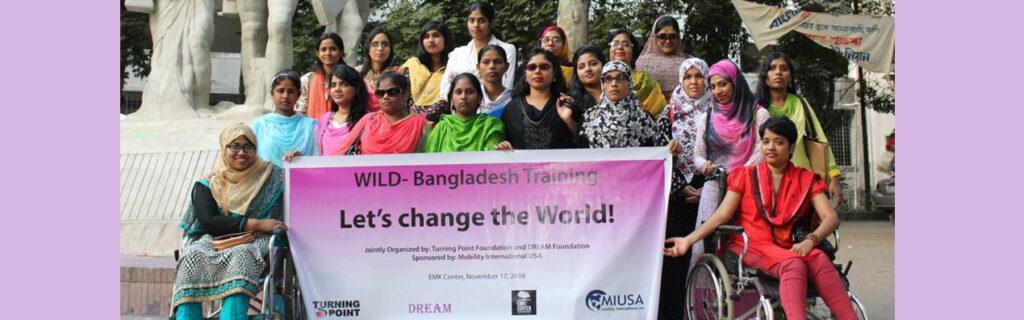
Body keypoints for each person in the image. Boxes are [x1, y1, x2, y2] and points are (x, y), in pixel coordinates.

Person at [665, 117, 858, 320]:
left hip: (789, 246)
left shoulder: (806, 179)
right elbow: (722, 215)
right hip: (750, 246)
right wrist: (688, 240)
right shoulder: (745, 176)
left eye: (779, 142)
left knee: (819, 258)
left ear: (792, 147)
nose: (771, 147)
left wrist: (812, 240)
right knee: (794, 263)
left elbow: (830, 217)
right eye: (766, 141)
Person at [171, 123, 288, 320]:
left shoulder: (272, 178)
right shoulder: (209, 182)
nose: (241, 152)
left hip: (255, 241)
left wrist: (298, 159)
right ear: (223, 148)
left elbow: (298, 188)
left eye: (247, 146)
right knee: (192, 255)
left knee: (241, 254)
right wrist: (258, 223)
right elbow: (209, 222)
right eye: (234, 146)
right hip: (213, 239)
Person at [690, 59, 770, 266]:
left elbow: (762, 150)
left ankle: (750, 295)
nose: (718, 91)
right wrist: (704, 166)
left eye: (723, 84)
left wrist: (739, 173)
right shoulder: (707, 118)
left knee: (746, 241)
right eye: (713, 86)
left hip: (749, 185)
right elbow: (698, 155)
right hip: (716, 183)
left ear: (736, 83)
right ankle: (701, 294)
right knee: (702, 240)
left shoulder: (758, 115)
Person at [655, 57, 712, 320]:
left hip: (711, 191)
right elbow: (658, 156)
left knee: (708, 255)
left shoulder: (719, 113)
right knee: (675, 259)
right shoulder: (667, 114)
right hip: (676, 194)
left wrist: (708, 187)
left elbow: (726, 152)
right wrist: (680, 187)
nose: (693, 81)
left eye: (698, 76)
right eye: (687, 76)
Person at [756, 52, 843, 205]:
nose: (778, 73)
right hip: (764, 180)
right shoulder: (756, 109)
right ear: (765, 76)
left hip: (802, 179)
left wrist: (834, 177)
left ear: (790, 77)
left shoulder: (801, 104)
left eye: (784, 68)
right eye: (772, 68)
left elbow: (820, 140)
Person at [500, 48, 580, 149]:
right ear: (525, 74)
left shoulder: (566, 104)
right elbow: (506, 144)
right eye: (531, 67)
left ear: (554, 72)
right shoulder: (512, 109)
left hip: (561, 164)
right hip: (523, 164)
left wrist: (568, 120)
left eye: (544, 67)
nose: (537, 71)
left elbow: (583, 143)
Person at [335, 71, 431, 154]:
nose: (385, 97)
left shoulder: (420, 124)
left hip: (406, 175)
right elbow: (342, 151)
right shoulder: (368, 120)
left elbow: (431, 160)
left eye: (392, 91)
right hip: (367, 175)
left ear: (406, 94)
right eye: (380, 93)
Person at [439, 1, 517, 100]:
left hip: (497, 110)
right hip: (462, 112)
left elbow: (505, 87)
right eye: (471, 20)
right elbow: (444, 90)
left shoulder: (507, 49)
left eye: (481, 20)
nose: (476, 25)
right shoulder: (457, 54)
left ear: (491, 23)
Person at [579, 60, 666, 148]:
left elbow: (656, 154)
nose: (614, 84)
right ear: (602, 84)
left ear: (629, 83)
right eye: (608, 79)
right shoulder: (590, 118)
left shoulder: (643, 118)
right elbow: (580, 156)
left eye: (620, 78)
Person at [425, 73, 512, 152]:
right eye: (458, 92)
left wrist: (501, 149)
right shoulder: (441, 128)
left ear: (479, 97)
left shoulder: (491, 126)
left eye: (470, 92)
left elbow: (492, 159)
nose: (463, 97)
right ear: (451, 98)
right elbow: (429, 164)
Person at [251, 70, 320, 167]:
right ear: (272, 93)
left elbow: (318, 162)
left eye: (291, 92)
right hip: (265, 180)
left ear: (298, 95)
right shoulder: (259, 125)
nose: (285, 96)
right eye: (280, 91)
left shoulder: (311, 126)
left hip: (301, 180)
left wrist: (302, 160)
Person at [398, 21, 453, 122]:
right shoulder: (412, 65)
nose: (431, 40)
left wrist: (421, 119)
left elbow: (447, 101)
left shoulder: (454, 67)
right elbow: (402, 96)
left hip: (440, 124)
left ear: (446, 39)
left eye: (436, 36)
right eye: (426, 37)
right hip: (408, 123)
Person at [606, 30, 667, 117]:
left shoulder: (646, 81)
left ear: (633, 50)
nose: (619, 47)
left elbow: (659, 113)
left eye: (626, 44)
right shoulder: (601, 79)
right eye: (615, 44)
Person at [316, 64, 371, 156]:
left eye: (344, 84)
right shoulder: (325, 119)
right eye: (333, 85)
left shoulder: (367, 120)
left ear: (357, 89)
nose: (337, 89)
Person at [636, 15, 692, 102]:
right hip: (651, 113)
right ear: (654, 37)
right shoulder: (642, 64)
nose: (668, 41)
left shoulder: (689, 62)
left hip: (684, 111)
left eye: (672, 36)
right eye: (662, 37)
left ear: (678, 37)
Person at [297, 32, 345, 120]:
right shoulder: (307, 80)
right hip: (313, 131)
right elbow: (300, 112)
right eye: (323, 49)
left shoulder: (350, 79)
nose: (328, 53)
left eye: (333, 49)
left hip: (343, 131)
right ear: (318, 54)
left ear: (341, 51)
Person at [355, 27, 397, 111]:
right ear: (368, 49)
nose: (380, 48)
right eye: (375, 44)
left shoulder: (397, 73)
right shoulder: (356, 73)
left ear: (390, 50)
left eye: (385, 44)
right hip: (362, 121)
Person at [567, 45, 607, 114]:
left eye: (593, 64)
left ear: (603, 65)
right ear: (576, 72)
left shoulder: (618, 92)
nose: (588, 69)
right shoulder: (572, 101)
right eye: (581, 67)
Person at [476, 45, 513, 117]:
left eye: (498, 62)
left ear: (506, 67)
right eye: (486, 62)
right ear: (478, 67)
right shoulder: (473, 97)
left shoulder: (514, 98)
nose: (492, 66)